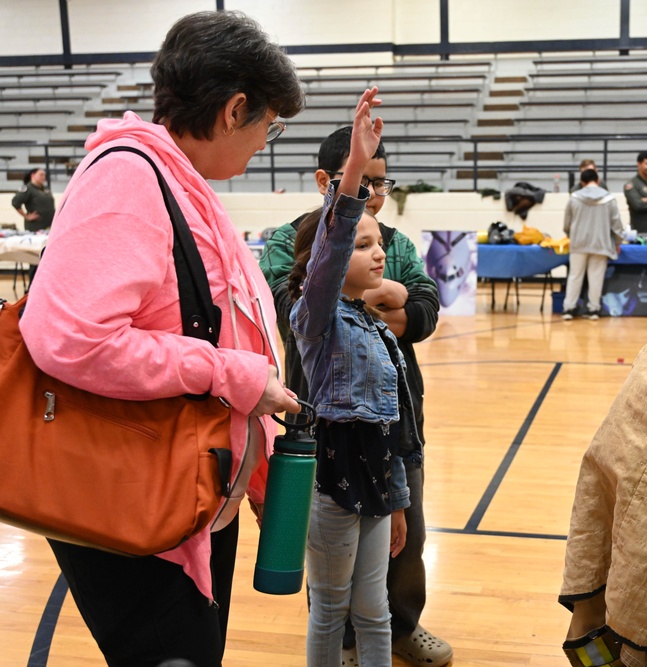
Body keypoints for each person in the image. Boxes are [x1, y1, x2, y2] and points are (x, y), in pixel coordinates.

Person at [18, 11, 304, 666]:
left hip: (188, 494)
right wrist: (226, 373)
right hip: (137, 502)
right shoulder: (129, 178)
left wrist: (254, 467)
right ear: (236, 110)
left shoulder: (178, 181)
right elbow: (66, 337)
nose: (268, 140)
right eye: (270, 124)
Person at [258, 128, 448, 666]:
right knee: (333, 594)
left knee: (393, 569)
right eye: (359, 183)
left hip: (387, 446)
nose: (378, 252)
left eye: (379, 183)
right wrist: (355, 281)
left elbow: (425, 305)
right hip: (327, 446)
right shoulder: (299, 244)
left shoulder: (392, 247)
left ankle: (400, 629)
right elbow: (292, 295)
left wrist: (399, 301)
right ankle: (339, 643)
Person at [289, 88, 405, 666]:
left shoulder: (375, 328)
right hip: (333, 477)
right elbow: (331, 251)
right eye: (364, 245)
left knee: (376, 610)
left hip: (378, 478)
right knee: (330, 609)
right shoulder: (317, 320)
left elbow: (392, 425)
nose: (378, 253)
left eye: (378, 242)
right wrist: (356, 169)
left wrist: (399, 499)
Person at [561, 168, 624, 320]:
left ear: (582, 182)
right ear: (598, 180)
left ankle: (569, 308)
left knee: (575, 276)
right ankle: (593, 310)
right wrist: (617, 241)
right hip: (600, 244)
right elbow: (616, 224)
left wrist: (571, 234)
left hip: (578, 243)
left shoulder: (574, 198)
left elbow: (567, 224)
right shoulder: (609, 198)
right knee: (596, 277)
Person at [11, 168, 55, 232]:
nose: (43, 177)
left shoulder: (45, 188)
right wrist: (26, 216)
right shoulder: (27, 188)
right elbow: (15, 202)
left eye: (44, 175)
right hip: (36, 226)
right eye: (41, 175)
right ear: (33, 175)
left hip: (49, 225)